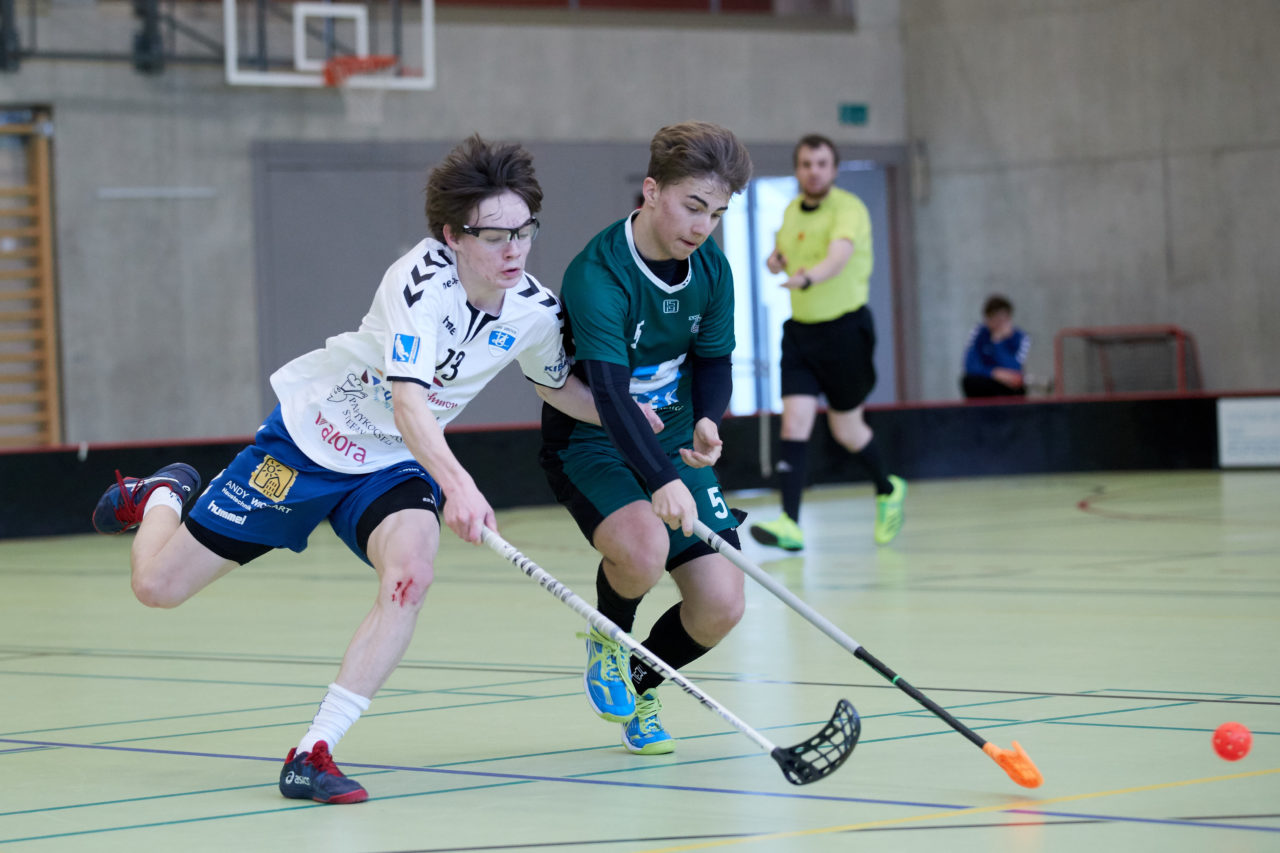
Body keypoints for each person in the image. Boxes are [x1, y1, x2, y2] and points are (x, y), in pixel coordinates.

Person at [89, 135, 655, 805]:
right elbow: (409, 402)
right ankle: (164, 492)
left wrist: (630, 418)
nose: (514, 249)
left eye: (525, 230)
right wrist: (460, 486)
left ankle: (314, 750)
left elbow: (556, 385)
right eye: (494, 235)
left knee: (411, 574)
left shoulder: (534, 311)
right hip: (304, 449)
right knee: (157, 587)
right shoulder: (419, 282)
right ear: (453, 235)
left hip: (391, 467)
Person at [540, 121, 753, 755]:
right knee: (643, 551)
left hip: (676, 437)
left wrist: (709, 419)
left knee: (722, 604)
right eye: (694, 206)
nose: (703, 226)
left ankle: (640, 680)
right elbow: (608, 395)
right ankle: (609, 635)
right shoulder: (598, 274)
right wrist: (660, 480)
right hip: (592, 439)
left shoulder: (710, 267)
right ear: (652, 191)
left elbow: (714, 359)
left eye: (717, 214)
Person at [748, 134, 905, 553]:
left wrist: (806, 279)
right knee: (793, 423)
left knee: (847, 430)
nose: (813, 171)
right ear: (797, 169)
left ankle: (888, 488)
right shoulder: (790, 212)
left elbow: (837, 258)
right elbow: (780, 256)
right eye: (806, 164)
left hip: (845, 332)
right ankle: (790, 522)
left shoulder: (848, 209)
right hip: (801, 333)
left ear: (833, 170)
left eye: (821, 163)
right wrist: (774, 262)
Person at [961, 294, 1030, 398]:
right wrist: (994, 372)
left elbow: (1015, 369)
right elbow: (970, 366)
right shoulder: (979, 333)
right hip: (985, 381)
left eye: (1002, 319)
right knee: (969, 381)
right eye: (994, 319)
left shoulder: (1021, 337)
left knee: (1018, 385)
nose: (998, 324)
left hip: (1007, 385)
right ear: (987, 319)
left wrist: (999, 343)